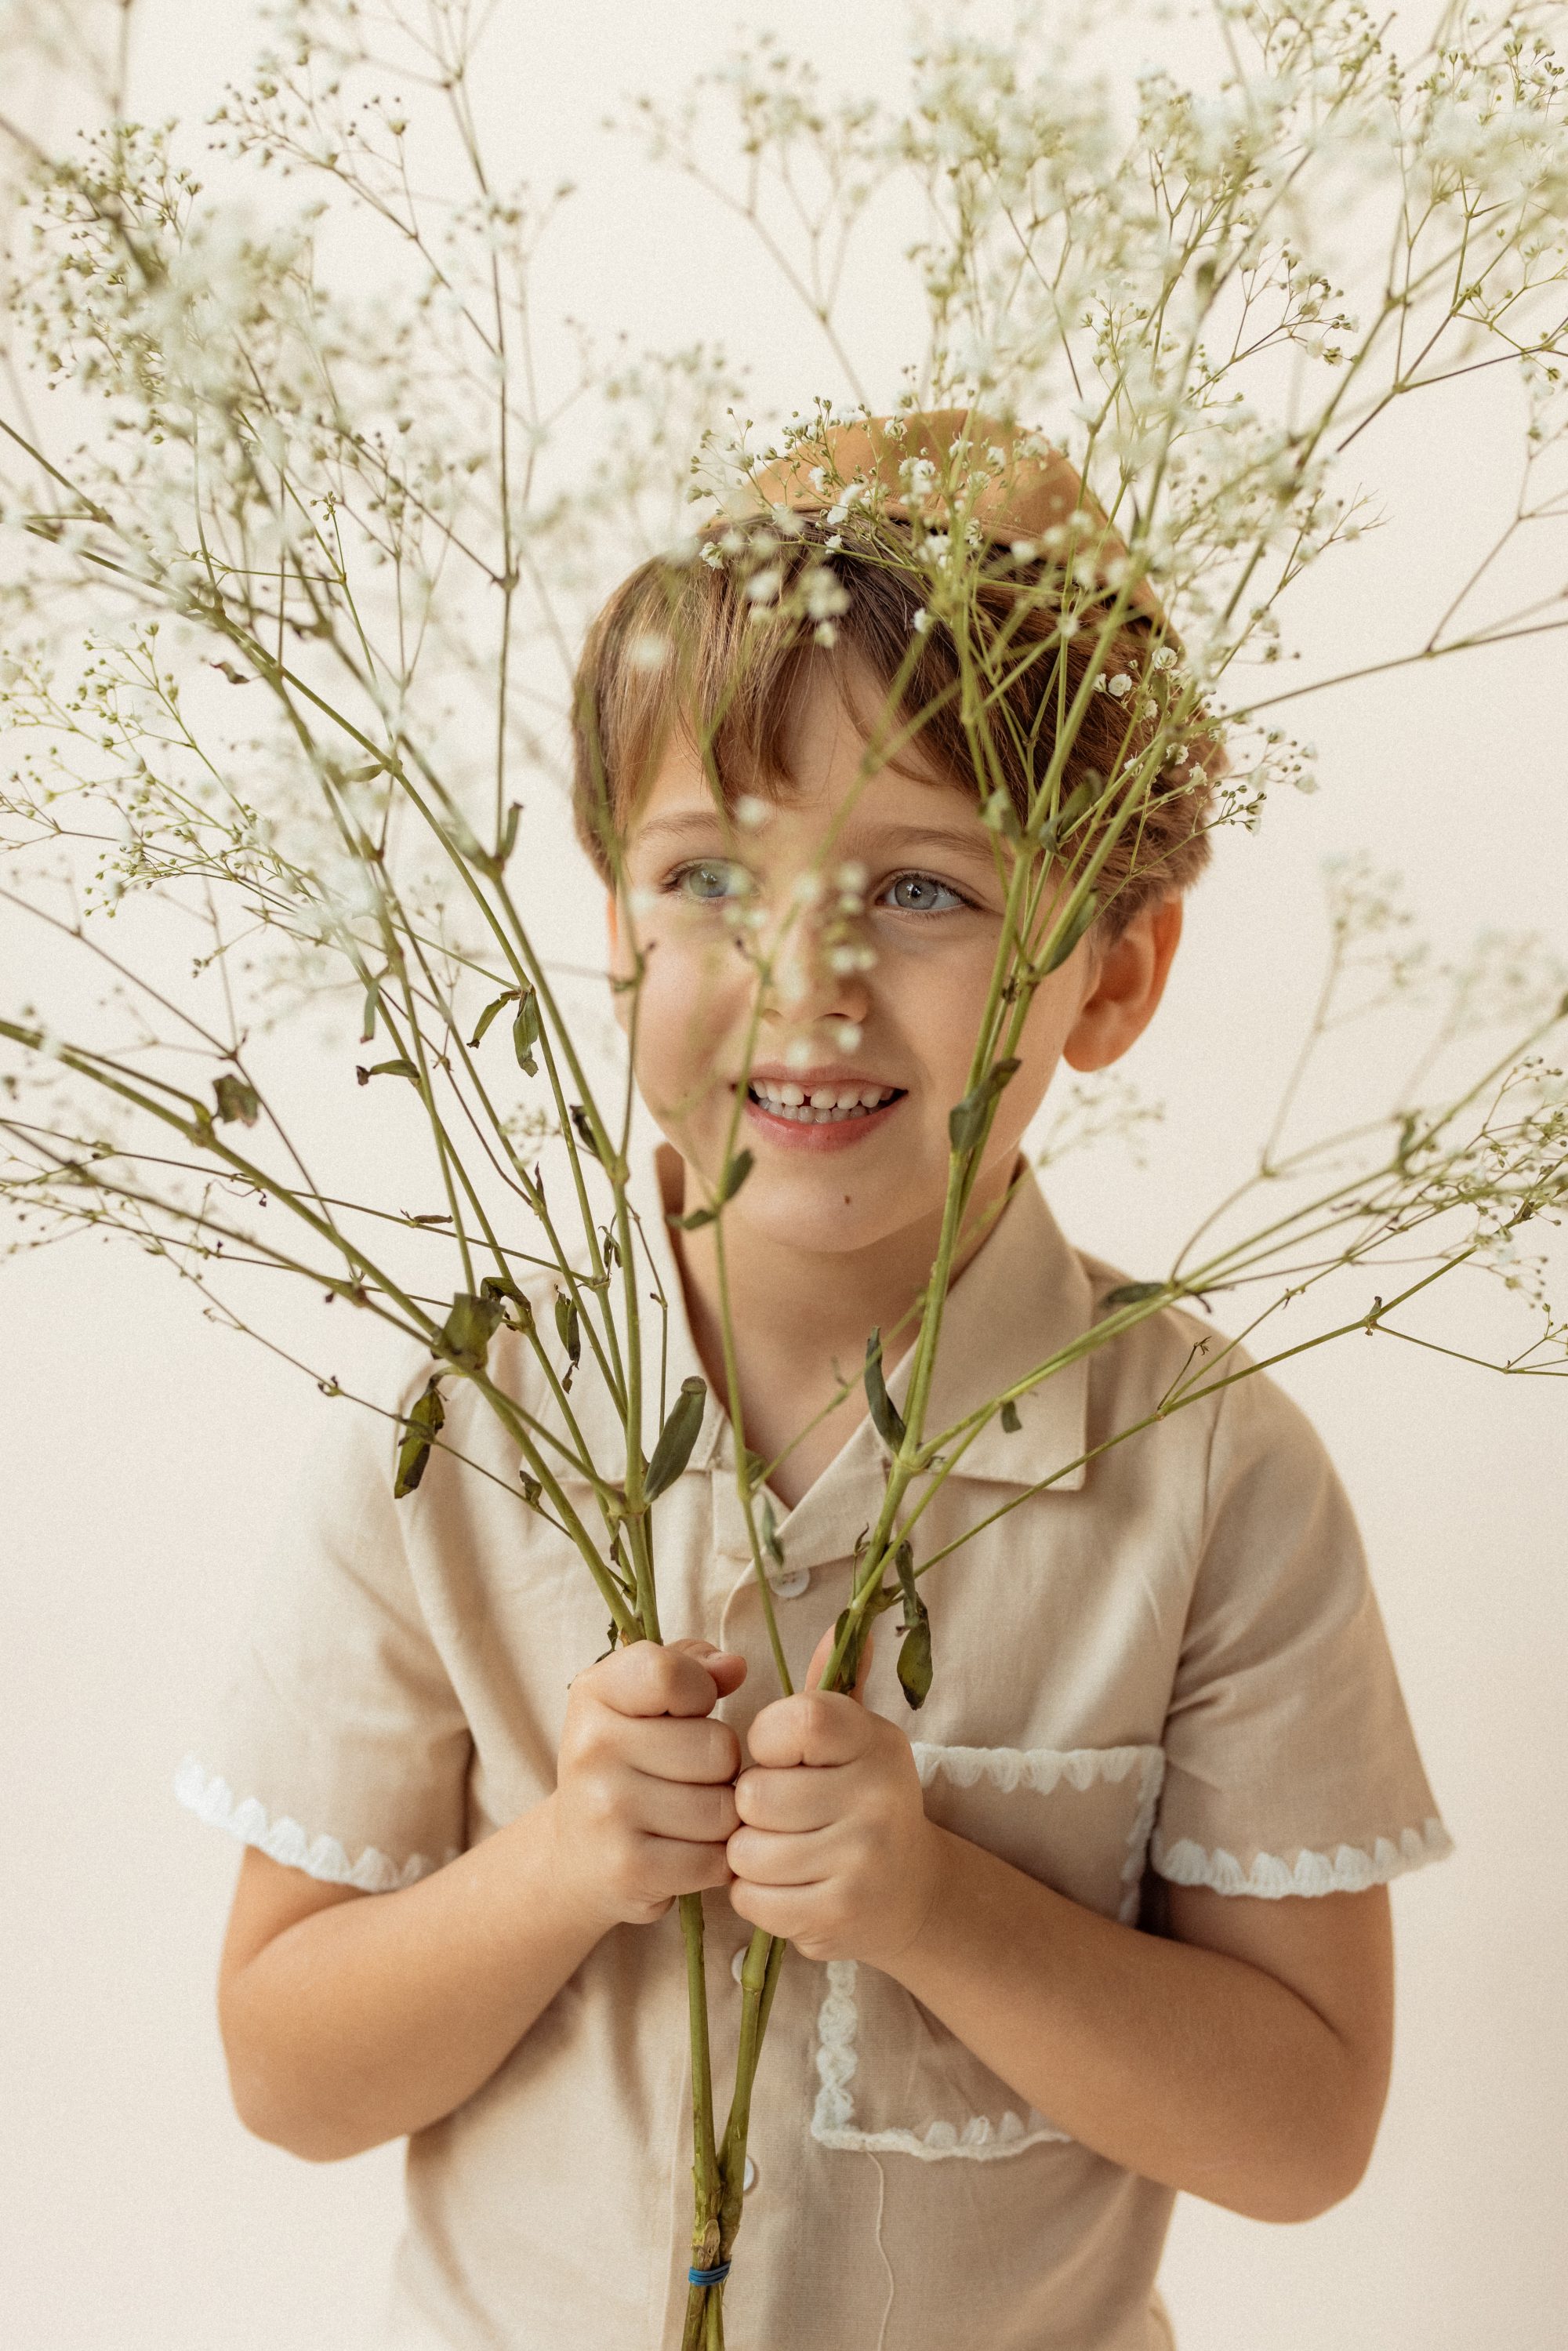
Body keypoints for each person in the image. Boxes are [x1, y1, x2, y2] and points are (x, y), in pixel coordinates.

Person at [178, 412, 1449, 2350]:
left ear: (1106, 976)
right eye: (706, 877)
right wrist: (556, 1870)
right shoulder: (458, 1429)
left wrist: (934, 1901)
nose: (803, 979)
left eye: (925, 890)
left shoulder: (1208, 1473)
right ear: (610, 931)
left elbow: (1298, 2134)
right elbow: (283, 2074)